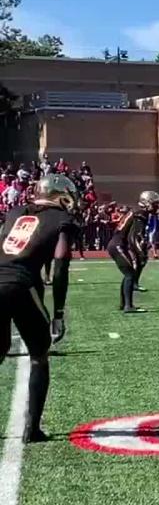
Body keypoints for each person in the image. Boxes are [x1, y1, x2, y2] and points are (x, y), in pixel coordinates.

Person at [0, 174, 78, 442]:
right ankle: (31, 429)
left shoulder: (14, 212)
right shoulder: (62, 220)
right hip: (20, 284)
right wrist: (58, 313)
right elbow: (60, 265)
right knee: (39, 355)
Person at [107, 191, 159, 313]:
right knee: (130, 274)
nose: (157, 207)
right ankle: (128, 306)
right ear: (147, 203)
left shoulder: (137, 211)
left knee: (128, 274)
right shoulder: (141, 214)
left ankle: (124, 304)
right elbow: (134, 237)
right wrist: (140, 253)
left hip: (117, 244)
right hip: (118, 245)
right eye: (155, 204)